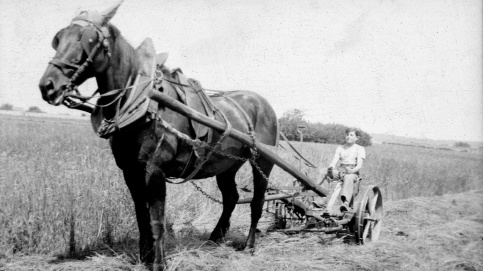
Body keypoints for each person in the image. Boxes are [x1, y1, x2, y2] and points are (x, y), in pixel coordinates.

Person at [326, 128, 366, 213]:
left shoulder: (360, 149)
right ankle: (321, 201)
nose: (348, 137)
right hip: (340, 171)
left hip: (352, 172)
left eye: (351, 135)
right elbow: (335, 160)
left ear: (357, 138)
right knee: (324, 172)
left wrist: (352, 171)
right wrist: (331, 166)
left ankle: (346, 203)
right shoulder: (340, 148)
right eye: (347, 134)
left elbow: (359, 166)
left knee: (348, 177)